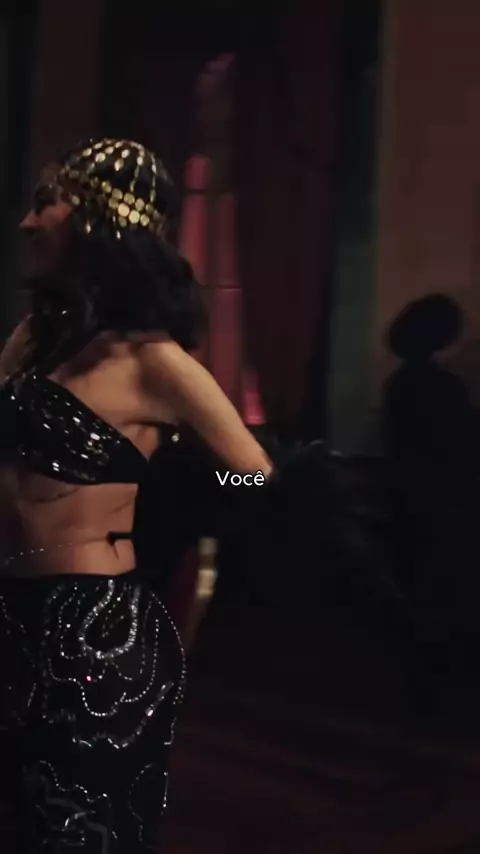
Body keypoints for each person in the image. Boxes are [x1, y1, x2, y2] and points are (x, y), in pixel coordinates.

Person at [0, 138, 271, 852]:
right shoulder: (31, 342)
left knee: (78, 833)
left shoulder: (156, 363)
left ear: (98, 219)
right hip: (10, 615)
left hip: (97, 636)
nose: (26, 223)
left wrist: (182, 492)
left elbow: (255, 474)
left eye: (44, 203)